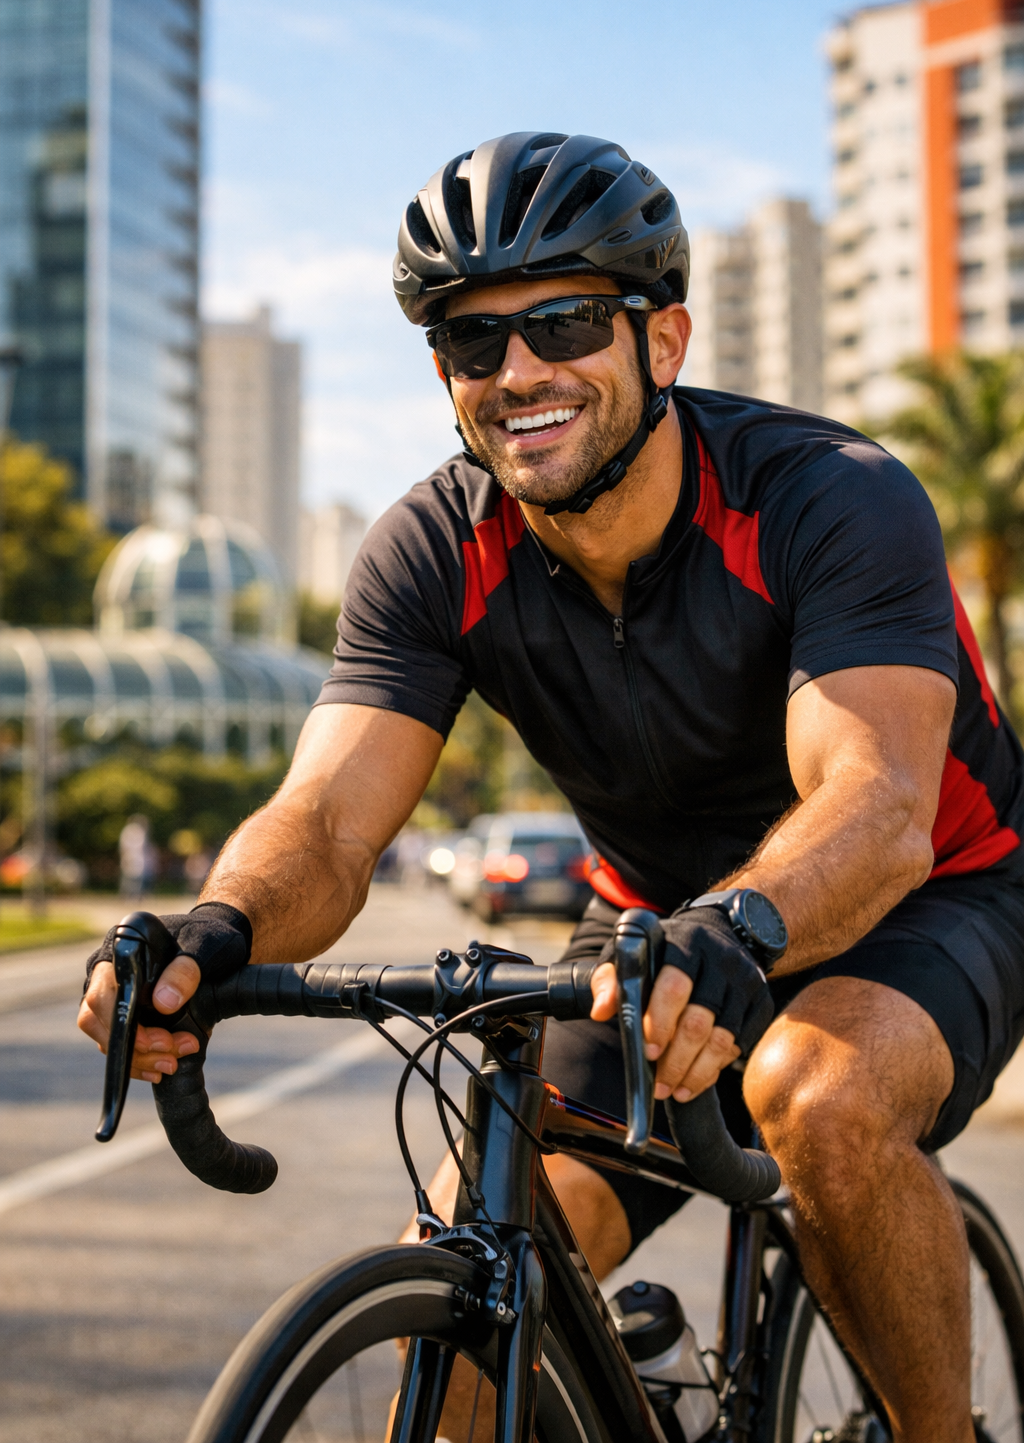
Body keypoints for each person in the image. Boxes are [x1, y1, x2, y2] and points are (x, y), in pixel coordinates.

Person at [80, 132, 1024, 1442]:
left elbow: (875, 801)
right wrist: (215, 928)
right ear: (444, 375)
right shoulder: (433, 548)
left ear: (665, 340)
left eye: (566, 323)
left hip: (929, 896)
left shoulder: (828, 499)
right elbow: (329, 821)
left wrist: (744, 927)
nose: (520, 373)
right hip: (653, 928)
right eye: (475, 344)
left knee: (818, 1089)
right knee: (483, 1247)